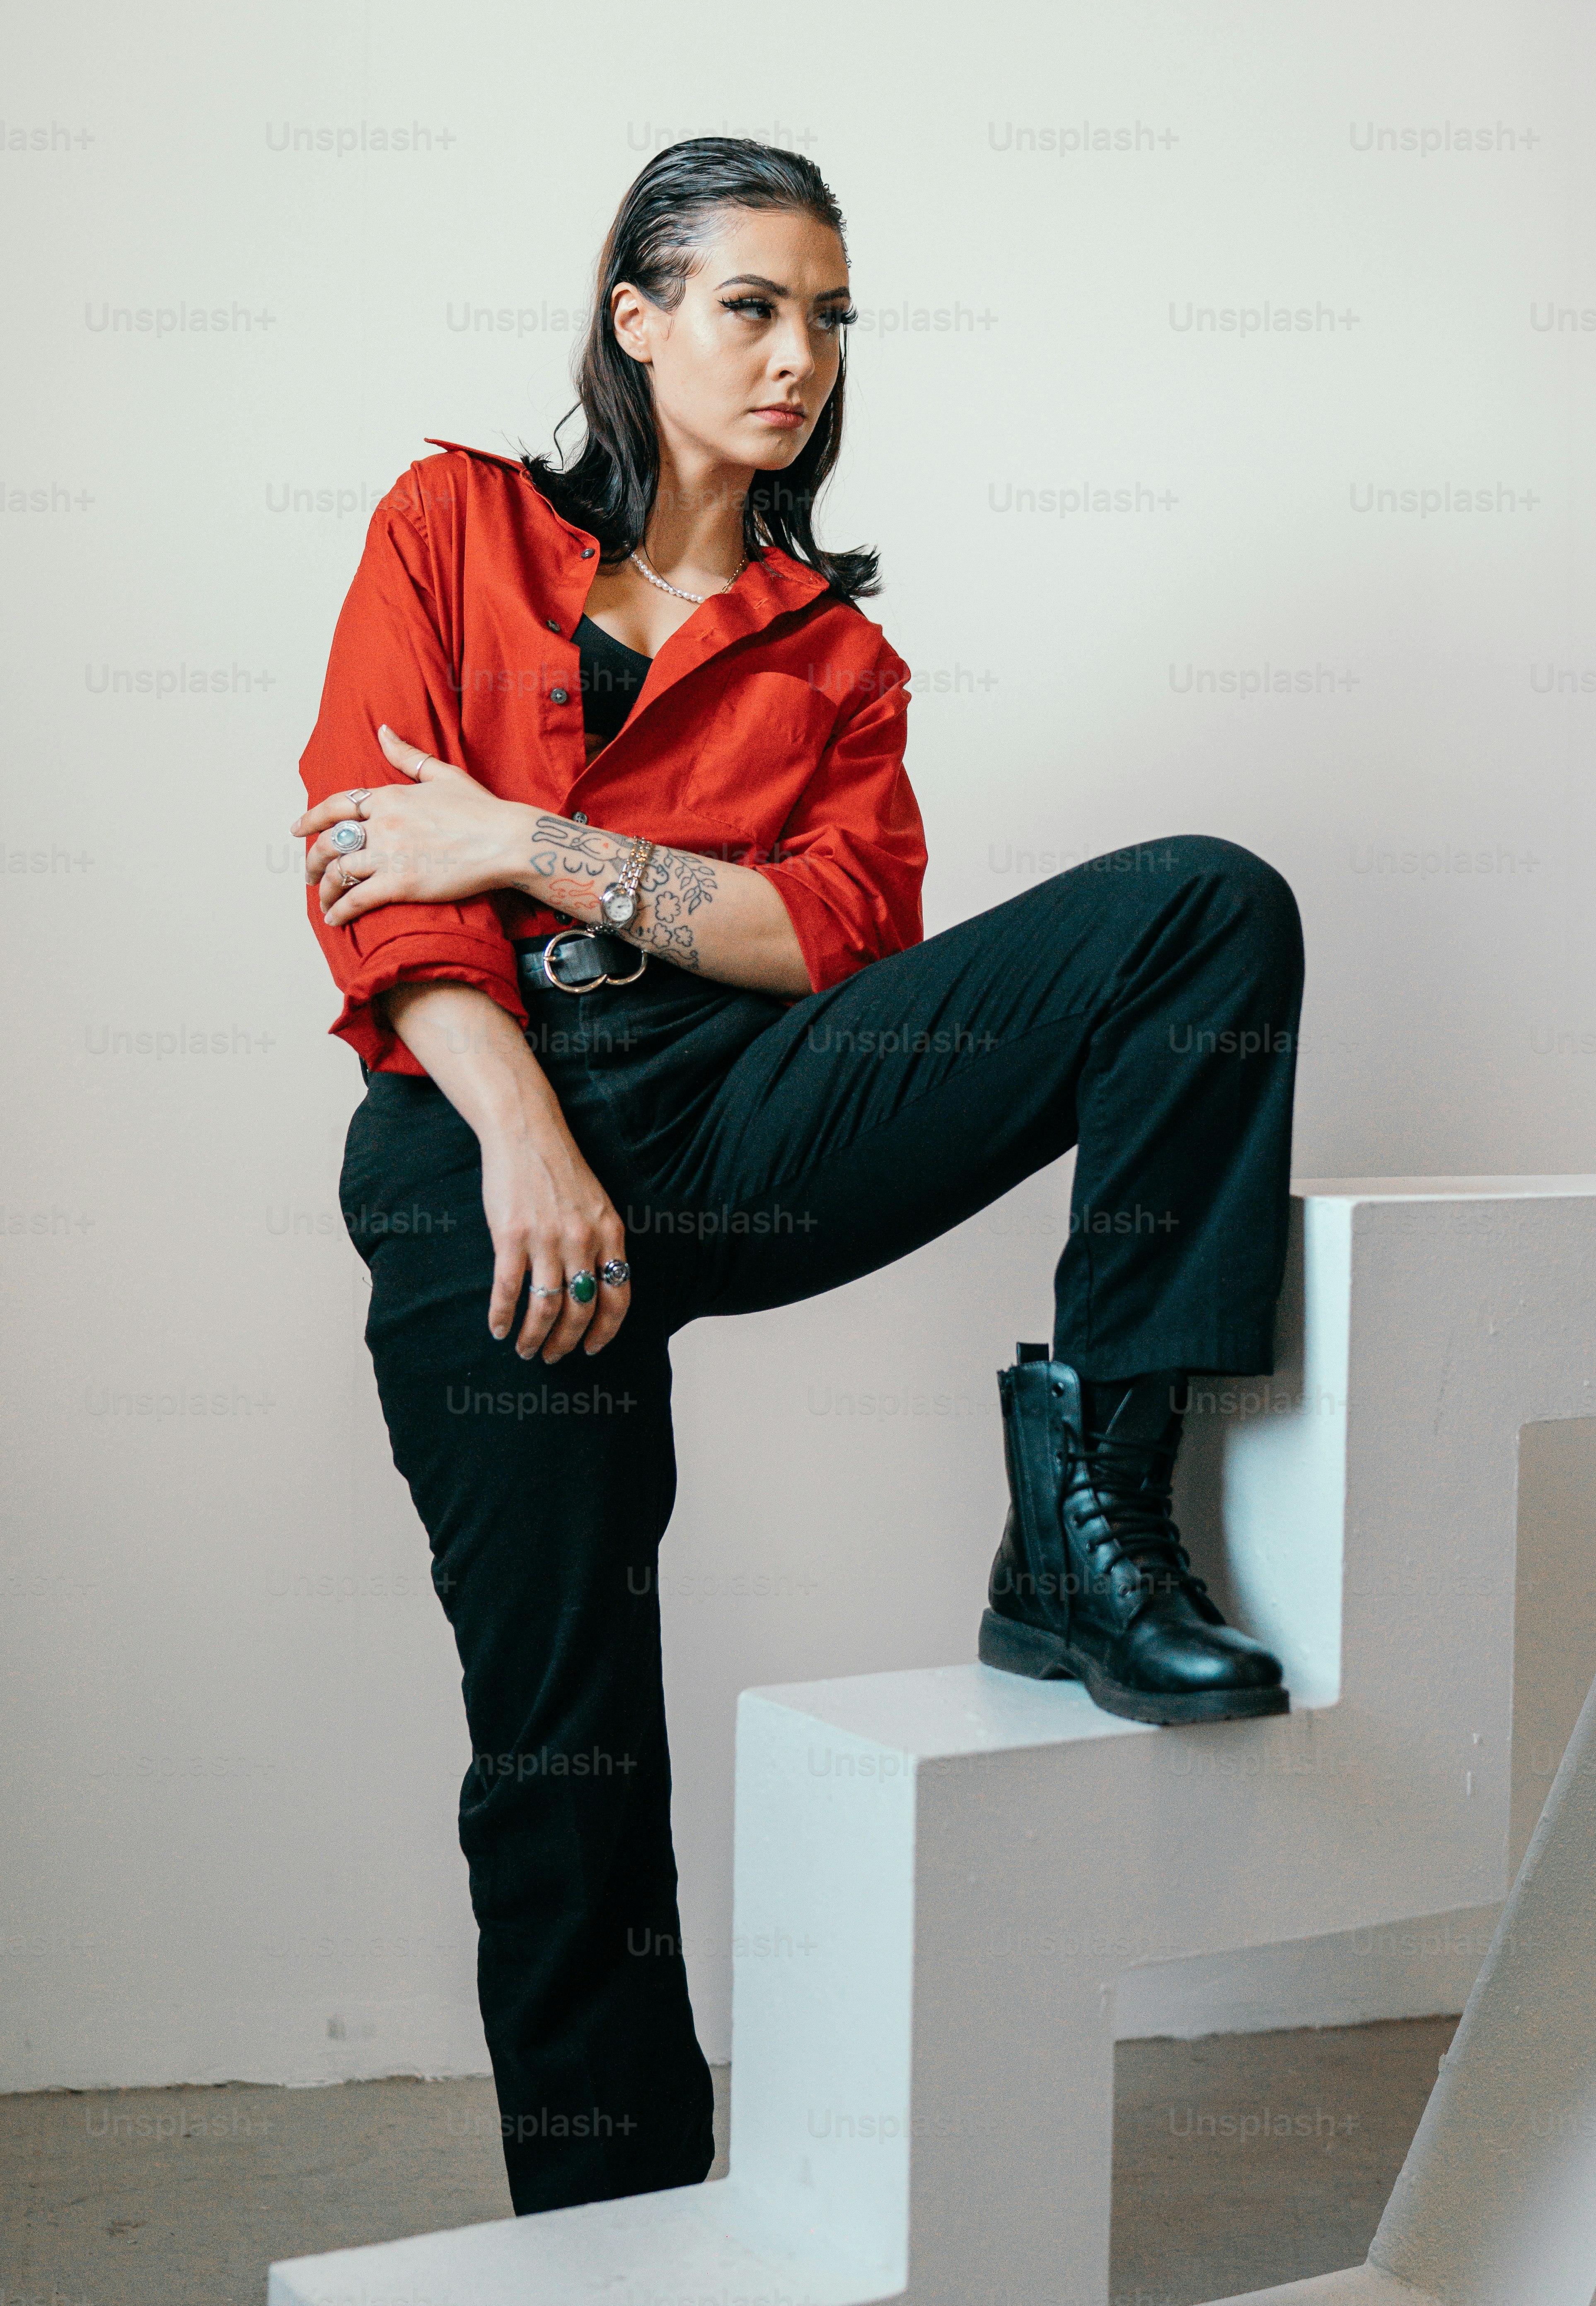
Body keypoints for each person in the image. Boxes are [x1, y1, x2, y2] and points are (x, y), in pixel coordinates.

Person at [292, 137, 1305, 2218]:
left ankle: (1088, 1507)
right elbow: (376, 887)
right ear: (636, 315)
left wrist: (534, 843)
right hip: (473, 1144)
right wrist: (528, 1137)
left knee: (1201, 909)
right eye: (751, 304)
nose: (797, 354)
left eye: (829, 314)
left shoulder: (835, 654)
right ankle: (620, 2226)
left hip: (737, 1114)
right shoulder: (446, 524)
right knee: (565, 1734)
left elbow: (838, 935)